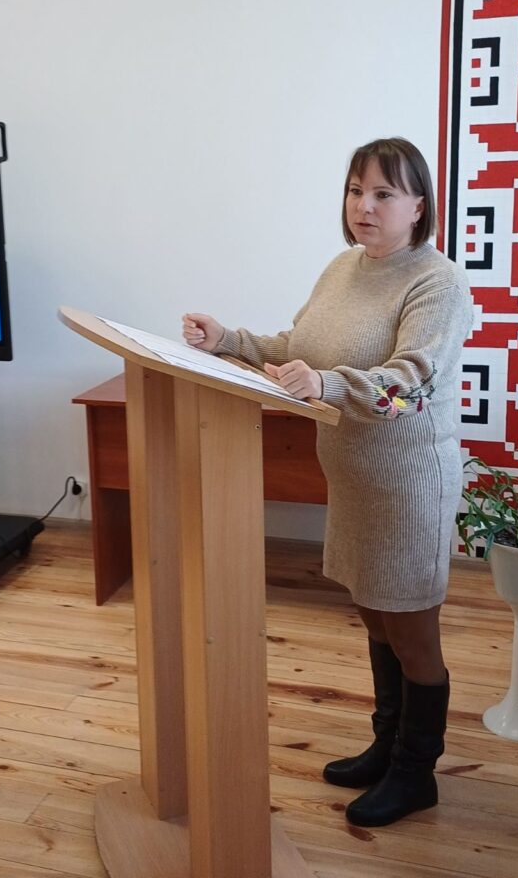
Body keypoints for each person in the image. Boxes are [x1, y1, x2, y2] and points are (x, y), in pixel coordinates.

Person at [182, 136, 474, 828]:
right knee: (374, 614)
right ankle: (386, 746)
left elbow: (409, 387)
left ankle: (416, 774)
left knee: (412, 632)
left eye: (383, 193)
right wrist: (229, 341)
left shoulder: (438, 282)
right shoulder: (343, 268)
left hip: (407, 487)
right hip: (353, 481)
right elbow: (299, 348)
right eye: (355, 191)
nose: (364, 206)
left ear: (418, 206)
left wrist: (328, 384)